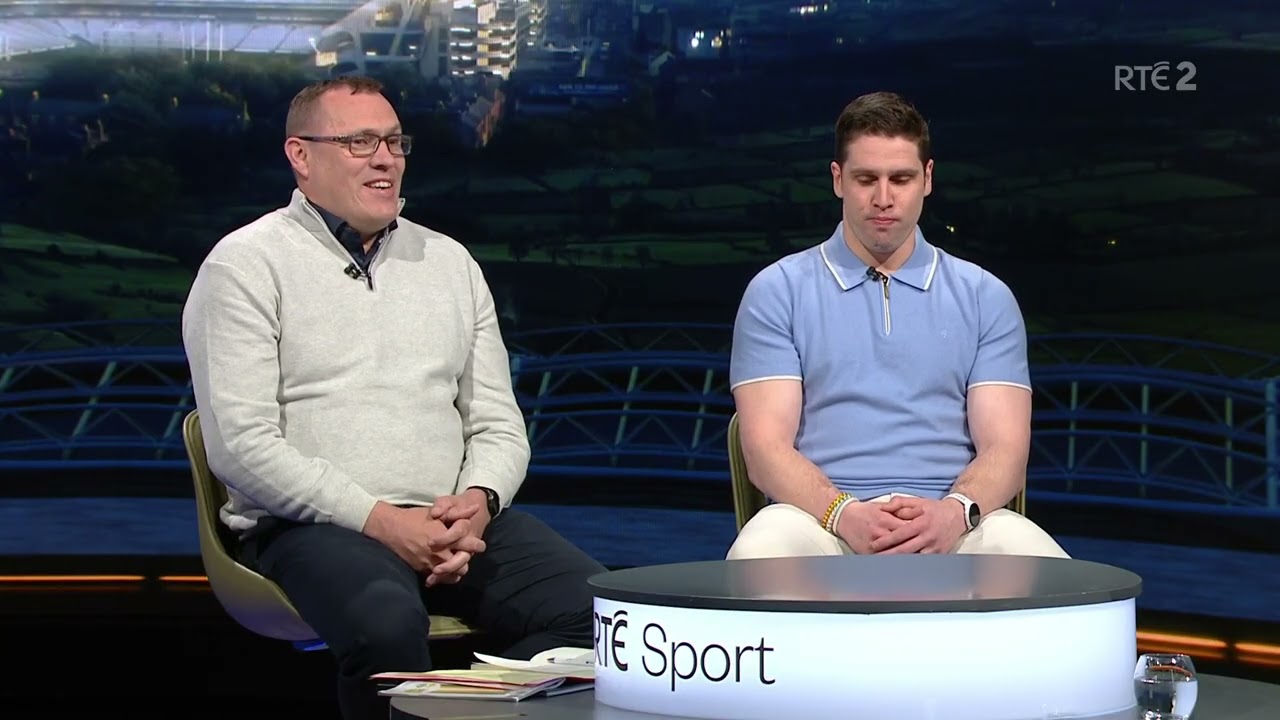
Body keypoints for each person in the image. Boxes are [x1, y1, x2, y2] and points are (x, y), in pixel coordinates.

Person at [181, 76, 606, 720]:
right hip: (312, 527)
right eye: (360, 142)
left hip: (452, 522)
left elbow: (497, 424)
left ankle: (463, 714)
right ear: (301, 155)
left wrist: (479, 502)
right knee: (386, 629)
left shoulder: (451, 263)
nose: (385, 159)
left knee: (611, 621)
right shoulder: (243, 266)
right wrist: (382, 521)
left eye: (394, 141)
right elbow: (242, 448)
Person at [726, 91, 1069, 561]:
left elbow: (1005, 449)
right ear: (838, 179)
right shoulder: (777, 291)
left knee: (1045, 567)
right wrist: (844, 514)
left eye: (901, 179)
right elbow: (766, 450)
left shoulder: (985, 296)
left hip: (955, 525)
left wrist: (952, 514)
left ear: (927, 179)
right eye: (866, 179)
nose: (883, 199)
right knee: (760, 553)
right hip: (819, 522)